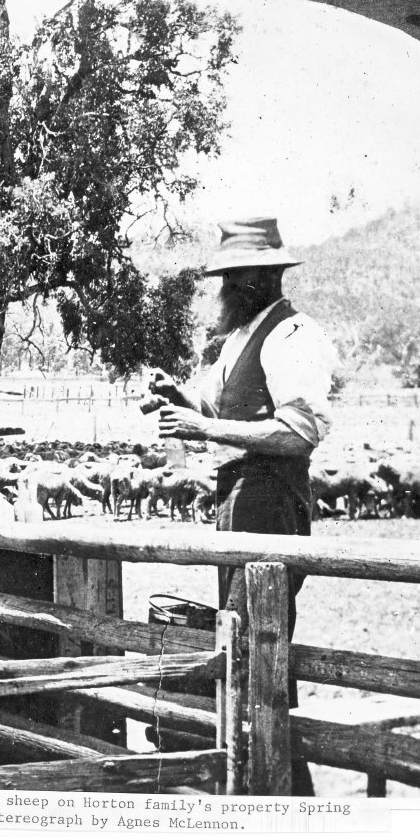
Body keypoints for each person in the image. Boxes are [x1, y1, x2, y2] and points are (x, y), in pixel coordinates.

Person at [156, 217, 338, 796]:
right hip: (236, 501)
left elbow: (298, 434)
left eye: (231, 280)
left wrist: (201, 430)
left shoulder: (292, 336)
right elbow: (217, 414)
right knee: (240, 642)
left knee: (253, 645)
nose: (222, 292)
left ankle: (283, 793)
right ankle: (265, 787)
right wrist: (177, 399)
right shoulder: (241, 339)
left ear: (256, 279)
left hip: (270, 503)